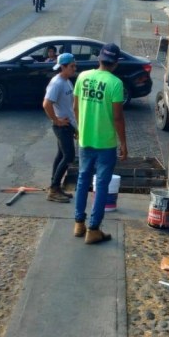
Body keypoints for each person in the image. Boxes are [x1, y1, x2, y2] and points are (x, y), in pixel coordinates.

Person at [72, 42, 128, 244]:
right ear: (116, 63)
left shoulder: (83, 76)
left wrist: (81, 128)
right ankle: (93, 229)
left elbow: (75, 107)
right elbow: (118, 118)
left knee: (82, 180)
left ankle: (79, 223)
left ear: (99, 59)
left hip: (85, 140)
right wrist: (123, 143)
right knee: (102, 185)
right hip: (105, 143)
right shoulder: (115, 83)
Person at [43, 53, 78, 203]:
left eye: (74, 66)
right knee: (69, 156)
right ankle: (54, 189)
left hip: (67, 125)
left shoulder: (66, 81)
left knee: (61, 155)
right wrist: (56, 120)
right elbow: (46, 104)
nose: (74, 69)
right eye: (72, 66)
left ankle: (54, 185)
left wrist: (75, 126)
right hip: (61, 127)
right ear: (63, 67)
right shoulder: (57, 83)